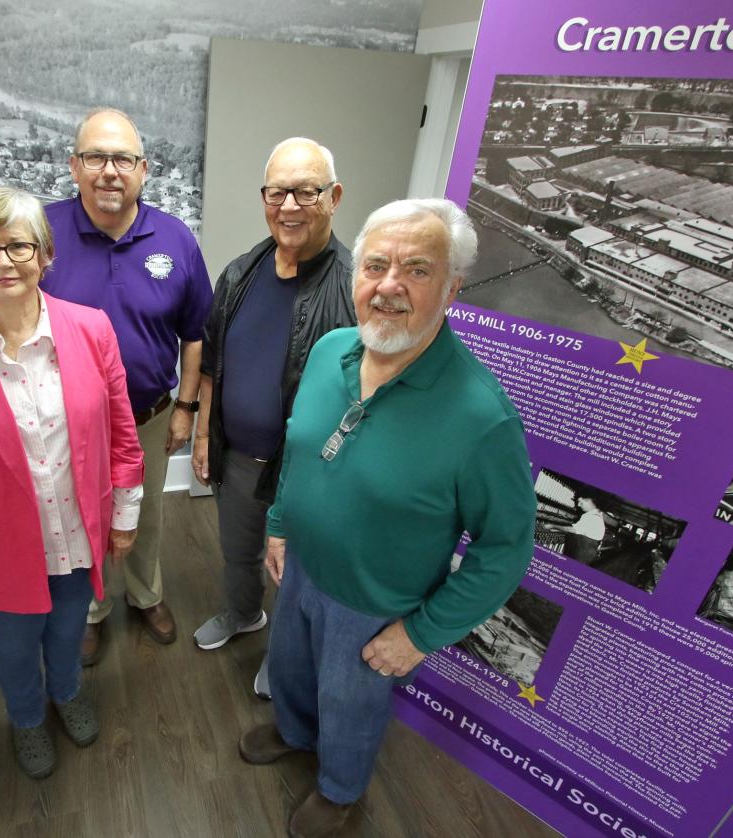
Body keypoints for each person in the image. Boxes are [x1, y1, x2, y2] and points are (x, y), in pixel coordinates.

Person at [238, 198, 536, 838]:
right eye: (375, 266)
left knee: (349, 706)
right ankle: (293, 733)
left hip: (377, 604)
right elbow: (300, 448)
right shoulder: (329, 351)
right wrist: (281, 523)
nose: (390, 286)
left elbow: (505, 549)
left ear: (453, 287)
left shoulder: (481, 417)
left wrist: (422, 634)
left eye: (417, 270)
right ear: (355, 275)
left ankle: (340, 789)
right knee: (289, 666)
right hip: (302, 566)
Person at [0, 187, 144, 780]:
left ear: (44, 255)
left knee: (70, 627)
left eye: (19, 245)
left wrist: (125, 510)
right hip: (1, 544)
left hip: (76, 530)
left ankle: (65, 693)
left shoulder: (91, 330)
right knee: (13, 646)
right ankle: (26, 718)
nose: (4, 261)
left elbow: (121, 432)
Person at [41, 107, 213, 663]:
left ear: (144, 169)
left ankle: (145, 595)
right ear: (75, 166)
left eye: (123, 159)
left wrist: (186, 407)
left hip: (150, 413)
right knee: (79, 515)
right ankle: (92, 608)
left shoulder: (176, 239)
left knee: (148, 515)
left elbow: (195, 335)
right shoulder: (42, 232)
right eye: (95, 157)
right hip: (65, 421)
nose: (109, 171)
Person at [191, 138, 355, 701]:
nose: (290, 205)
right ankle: (241, 614)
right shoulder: (240, 274)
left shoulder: (355, 288)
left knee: (292, 573)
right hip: (237, 456)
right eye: (278, 191)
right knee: (238, 553)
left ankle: (283, 654)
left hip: (306, 474)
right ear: (264, 198)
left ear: (333, 197)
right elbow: (212, 361)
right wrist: (205, 434)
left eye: (305, 191)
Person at [552, 496, 605, 564]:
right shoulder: (597, 515)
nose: (578, 505)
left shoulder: (592, 516)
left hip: (581, 555)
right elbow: (582, 531)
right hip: (586, 554)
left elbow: (574, 530)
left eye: (580, 502)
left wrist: (553, 526)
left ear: (588, 502)